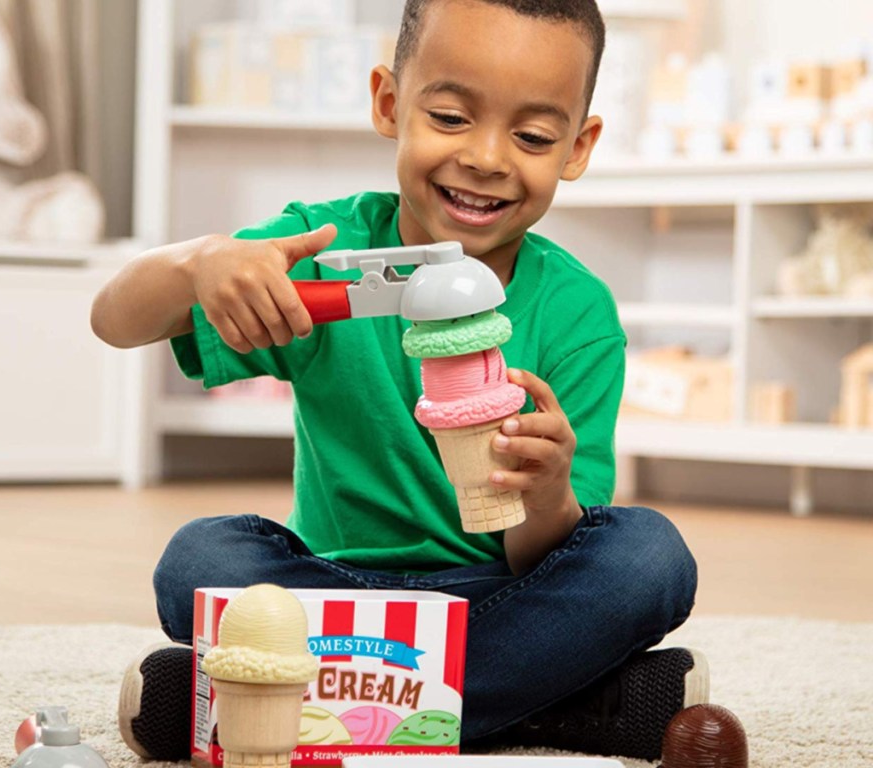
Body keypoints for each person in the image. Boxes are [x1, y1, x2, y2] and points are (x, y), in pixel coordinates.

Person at [91, 0, 705, 761]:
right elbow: (114, 321)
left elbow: (545, 555)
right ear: (389, 102)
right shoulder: (319, 256)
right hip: (331, 592)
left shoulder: (579, 313)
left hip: (503, 595)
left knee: (648, 557)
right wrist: (200, 264)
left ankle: (282, 698)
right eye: (450, 117)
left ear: (577, 148)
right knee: (201, 561)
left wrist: (544, 496)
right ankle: (562, 707)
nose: (486, 157)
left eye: (533, 136)